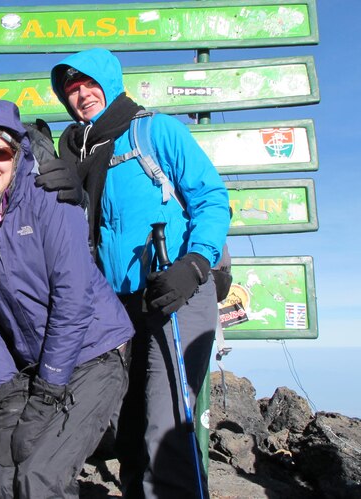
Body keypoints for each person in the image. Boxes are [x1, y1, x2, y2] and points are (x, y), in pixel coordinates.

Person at [48, 48, 231, 498]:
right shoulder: (75, 152)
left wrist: (196, 262)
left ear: (110, 82)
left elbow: (210, 197)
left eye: (89, 84)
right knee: (128, 427)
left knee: (166, 427)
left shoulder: (155, 131)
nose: (81, 95)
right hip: (118, 307)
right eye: (72, 89)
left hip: (177, 291)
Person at [0, 98, 135, 498]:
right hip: (32, 367)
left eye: (0, 152)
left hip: (94, 353)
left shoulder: (49, 199)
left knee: (39, 478)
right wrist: (9, 389)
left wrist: (48, 389)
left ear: (16, 155)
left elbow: (73, 299)